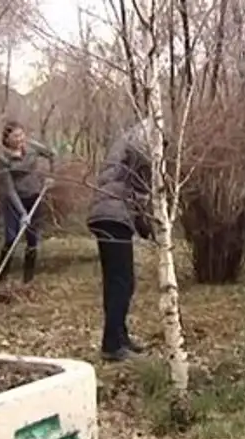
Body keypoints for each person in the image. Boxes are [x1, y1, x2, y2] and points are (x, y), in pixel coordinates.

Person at [88, 119, 155, 362]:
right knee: (122, 282)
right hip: (113, 216)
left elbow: (134, 193)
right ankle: (111, 345)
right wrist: (148, 228)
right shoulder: (136, 145)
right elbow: (137, 195)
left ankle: (119, 336)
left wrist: (145, 228)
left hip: (104, 214)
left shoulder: (122, 148)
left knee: (117, 282)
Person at [0, 120, 56, 284]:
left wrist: (51, 176)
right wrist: (22, 213)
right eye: (16, 136)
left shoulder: (31, 149)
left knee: (32, 238)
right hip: (13, 201)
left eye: (22, 135)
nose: (20, 139)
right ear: (7, 139)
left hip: (34, 196)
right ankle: (1, 277)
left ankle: (28, 280)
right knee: (11, 238)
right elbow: (9, 189)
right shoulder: (2, 159)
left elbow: (51, 154)